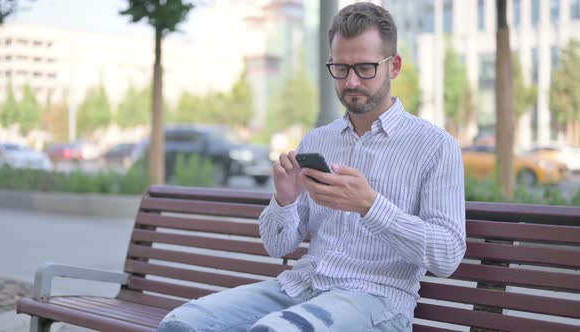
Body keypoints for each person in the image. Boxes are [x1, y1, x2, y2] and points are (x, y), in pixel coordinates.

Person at [157, 2, 465, 331]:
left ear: (394, 66)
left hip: (375, 301)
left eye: (365, 68)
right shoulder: (318, 140)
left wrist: (369, 205)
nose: (351, 82)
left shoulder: (435, 146)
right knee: (182, 324)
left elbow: (447, 255)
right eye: (341, 68)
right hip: (300, 288)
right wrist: (285, 200)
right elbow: (278, 247)